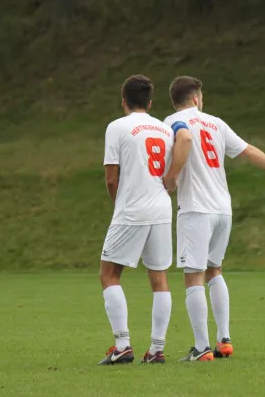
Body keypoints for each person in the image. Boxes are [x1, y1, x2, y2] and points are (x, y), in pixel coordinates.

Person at [162, 76, 265, 362]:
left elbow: (182, 141)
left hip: (196, 208)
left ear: (176, 100)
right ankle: (224, 339)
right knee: (215, 270)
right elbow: (247, 150)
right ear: (196, 98)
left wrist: (172, 176)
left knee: (193, 276)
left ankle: (202, 347)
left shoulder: (172, 122)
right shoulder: (215, 122)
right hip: (222, 209)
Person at [98, 75, 175, 365]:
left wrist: (119, 206)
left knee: (109, 275)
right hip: (161, 209)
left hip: (131, 209)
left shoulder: (116, 127)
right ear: (150, 102)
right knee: (159, 278)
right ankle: (156, 349)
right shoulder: (164, 129)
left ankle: (122, 345)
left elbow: (110, 178)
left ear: (123, 101)